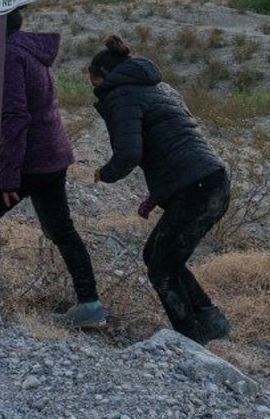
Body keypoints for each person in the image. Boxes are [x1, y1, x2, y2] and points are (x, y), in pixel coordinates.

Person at [0, 8, 105, 327]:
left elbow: (15, 118)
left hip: (33, 159)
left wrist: (8, 176)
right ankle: (90, 304)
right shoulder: (27, 51)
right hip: (52, 155)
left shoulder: (8, 58)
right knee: (60, 228)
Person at [88, 35, 230, 345]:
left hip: (198, 188)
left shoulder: (120, 95)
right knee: (157, 256)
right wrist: (157, 195)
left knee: (162, 267)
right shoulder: (161, 88)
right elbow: (173, 142)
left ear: (103, 76)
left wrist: (103, 174)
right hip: (211, 181)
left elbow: (128, 154)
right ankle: (209, 318)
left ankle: (191, 338)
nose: (94, 90)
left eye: (93, 82)